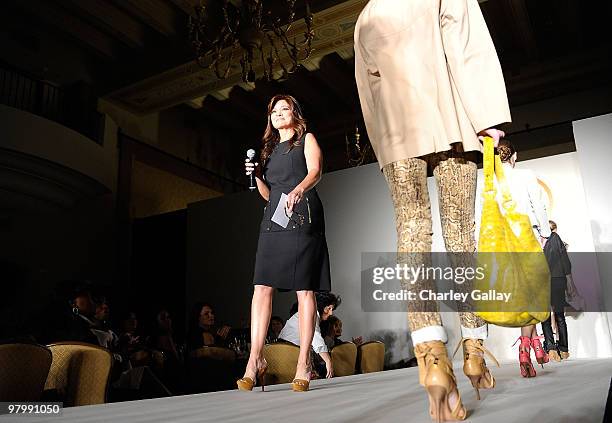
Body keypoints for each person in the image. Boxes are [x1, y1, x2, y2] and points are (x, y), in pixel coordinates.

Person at [355, 1, 510, 420]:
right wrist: (488, 119)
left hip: (396, 133)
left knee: (411, 230)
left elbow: (368, 93)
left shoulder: (366, 16)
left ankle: (433, 360)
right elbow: (466, 49)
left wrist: (386, 149)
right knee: (461, 230)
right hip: (451, 121)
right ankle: (474, 346)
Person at [238, 94, 331, 393]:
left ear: (295, 113)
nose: (278, 114)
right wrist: (256, 178)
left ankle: (304, 363)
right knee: (261, 287)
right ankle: (255, 360)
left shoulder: (306, 140)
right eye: (274, 111)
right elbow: (268, 195)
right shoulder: (267, 151)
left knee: (305, 289)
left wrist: (299, 189)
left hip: (303, 215)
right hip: (274, 219)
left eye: (284, 109)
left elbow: (316, 171)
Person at [487, 139, 552, 377]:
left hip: (503, 241)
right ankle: (527, 347)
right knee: (533, 293)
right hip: (528, 235)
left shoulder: (490, 181)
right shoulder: (526, 175)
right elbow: (539, 206)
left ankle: (535, 345)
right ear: (514, 156)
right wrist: (545, 234)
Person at [278, 292, 340, 379]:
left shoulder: (305, 312)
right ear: (321, 306)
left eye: (332, 309)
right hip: (289, 351)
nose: (331, 313)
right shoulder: (311, 314)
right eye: (328, 308)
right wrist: (328, 361)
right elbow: (316, 339)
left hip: (283, 349)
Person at [541, 220, 574, 361]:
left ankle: (551, 347)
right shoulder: (556, 239)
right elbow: (565, 261)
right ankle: (564, 349)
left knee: (545, 316)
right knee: (560, 315)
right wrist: (570, 282)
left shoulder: (536, 240)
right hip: (558, 279)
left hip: (542, 281)